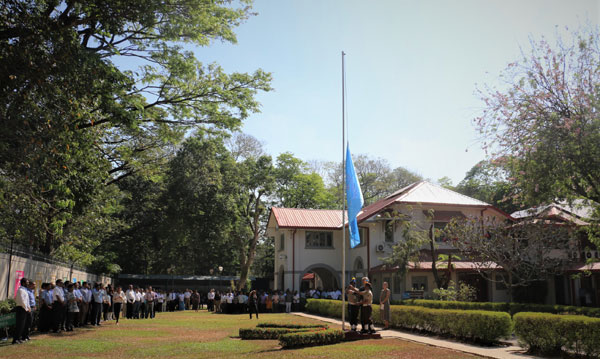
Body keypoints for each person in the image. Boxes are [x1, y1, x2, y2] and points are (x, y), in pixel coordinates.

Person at [13, 278, 30, 344]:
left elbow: (26, 300)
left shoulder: (24, 290)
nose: (28, 284)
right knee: (19, 325)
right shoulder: (20, 290)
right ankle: (15, 339)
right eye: (27, 282)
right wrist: (26, 308)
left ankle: (18, 338)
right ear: (23, 283)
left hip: (24, 308)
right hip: (21, 308)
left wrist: (28, 307)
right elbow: (22, 301)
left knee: (22, 325)